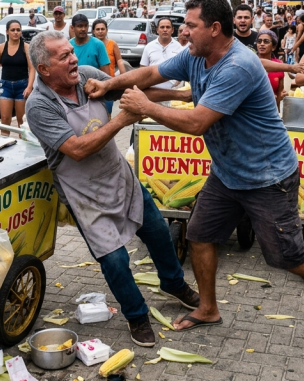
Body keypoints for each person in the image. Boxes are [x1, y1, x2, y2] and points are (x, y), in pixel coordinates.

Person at [87, 0, 304, 345]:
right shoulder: (195, 55)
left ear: (215, 28)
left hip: (267, 177)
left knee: (288, 257)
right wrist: (108, 84)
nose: (184, 32)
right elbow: (152, 72)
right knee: (199, 236)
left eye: (191, 26)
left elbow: (197, 123)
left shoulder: (238, 66)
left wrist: (146, 106)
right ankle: (208, 308)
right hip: (227, 173)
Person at [25, 30, 199, 347]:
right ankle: (136, 315)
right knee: (115, 260)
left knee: (158, 232)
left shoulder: (86, 77)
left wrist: (185, 96)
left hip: (119, 177)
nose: (74, 58)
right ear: (45, 69)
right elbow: (76, 149)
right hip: (84, 195)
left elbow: (134, 92)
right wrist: (121, 121)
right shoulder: (38, 105)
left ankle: (174, 284)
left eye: (71, 52)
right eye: (64, 56)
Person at [0, 20, 35, 134]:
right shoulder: (0, 48)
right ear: (7, 31)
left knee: (21, 121)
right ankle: (5, 142)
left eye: (18, 30)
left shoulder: (26, 47)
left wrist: (29, 87)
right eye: (12, 30)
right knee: (5, 119)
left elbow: (32, 69)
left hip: (22, 87)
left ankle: (23, 144)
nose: (16, 32)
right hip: (6, 86)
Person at [141, 17, 184, 90]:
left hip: (173, 90)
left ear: (172, 30)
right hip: (152, 89)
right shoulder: (149, 46)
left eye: (168, 27)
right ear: (157, 30)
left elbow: (183, 69)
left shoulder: (179, 47)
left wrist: (178, 83)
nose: (165, 30)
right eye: (162, 27)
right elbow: (143, 68)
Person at [255, 30, 285, 107]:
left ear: (273, 47)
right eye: (259, 41)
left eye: (266, 41)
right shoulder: (250, 62)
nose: (262, 44)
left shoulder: (278, 65)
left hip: (271, 109)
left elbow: (280, 92)